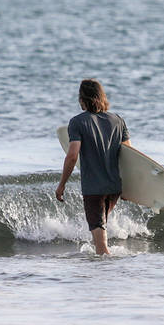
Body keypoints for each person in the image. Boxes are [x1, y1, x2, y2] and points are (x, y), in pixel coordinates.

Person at [55, 79, 130, 255]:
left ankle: (105, 279)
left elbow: (72, 155)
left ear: (83, 99)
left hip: (94, 190)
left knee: (101, 247)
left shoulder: (77, 122)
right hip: (114, 188)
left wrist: (62, 184)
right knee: (100, 235)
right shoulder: (118, 120)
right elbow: (129, 155)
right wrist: (128, 188)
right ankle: (106, 275)